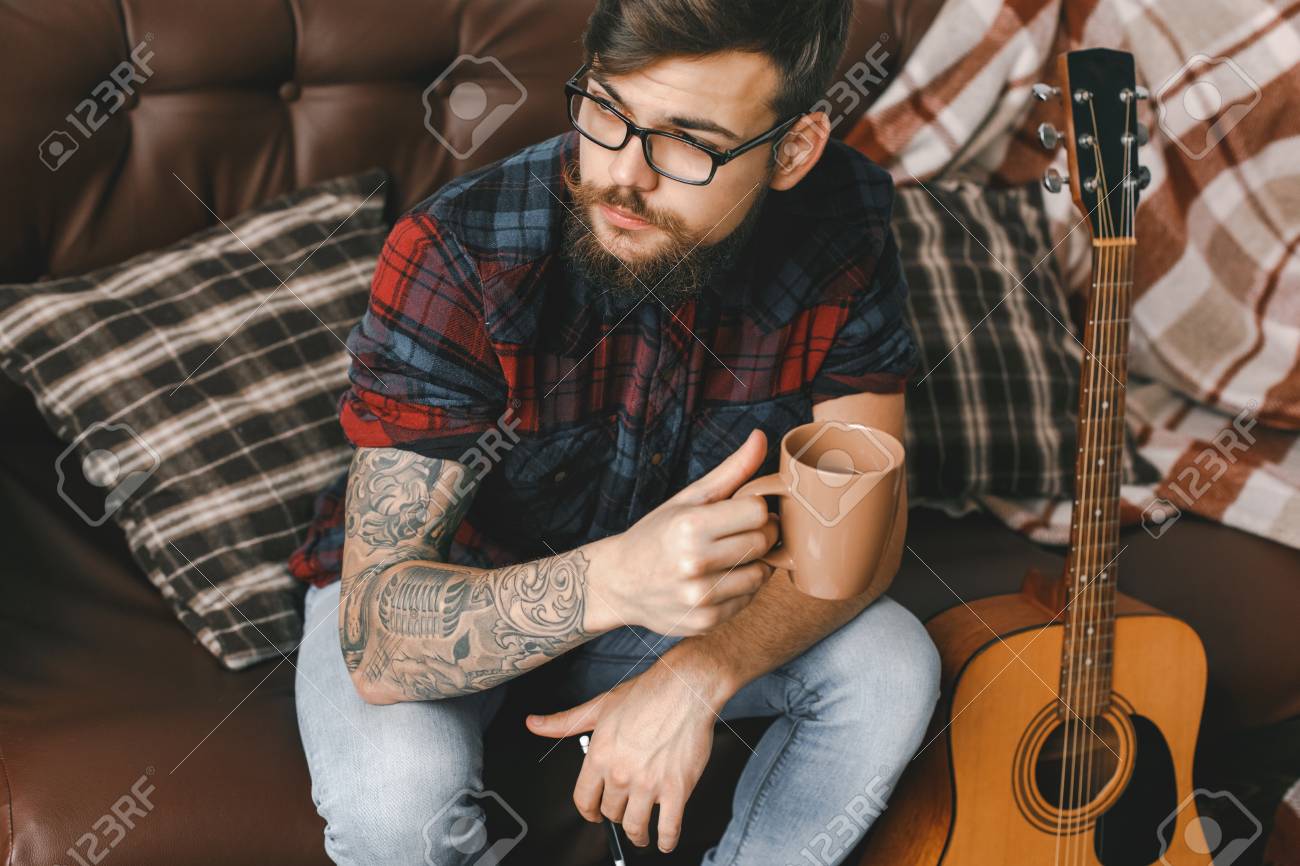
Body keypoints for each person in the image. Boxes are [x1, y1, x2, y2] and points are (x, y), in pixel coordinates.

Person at [288, 0, 941, 862]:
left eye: (691, 142)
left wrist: (698, 674)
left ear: (792, 151)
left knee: (893, 665)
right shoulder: (458, 250)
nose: (623, 175)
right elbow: (378, 636)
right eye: (607, 110)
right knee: (394, 802)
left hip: (682, 609)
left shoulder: (842, 221)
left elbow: (870, 529)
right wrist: (619, 578)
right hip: (448, 602)